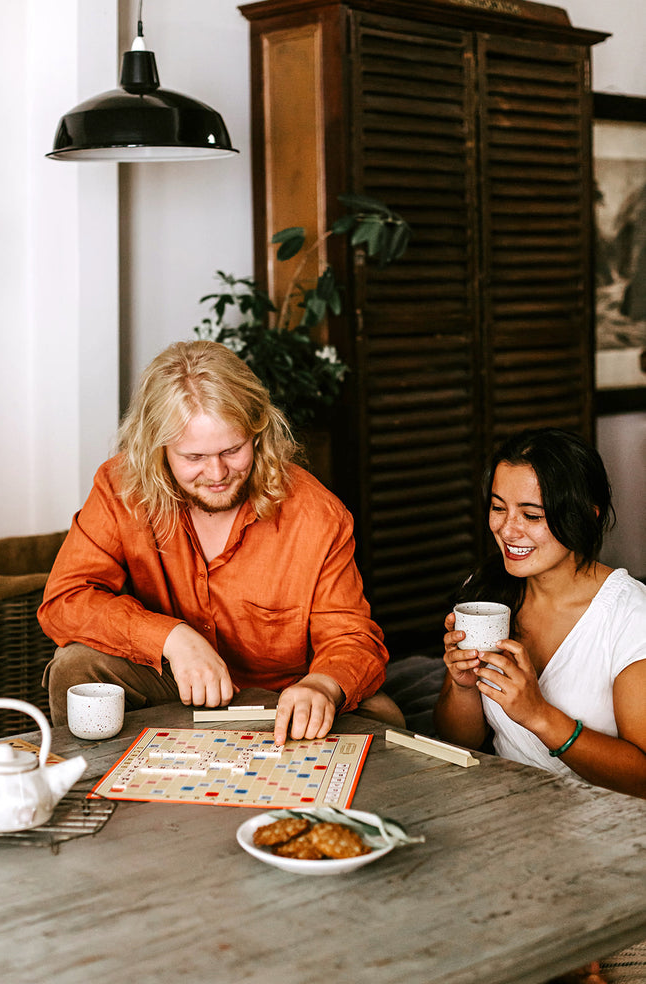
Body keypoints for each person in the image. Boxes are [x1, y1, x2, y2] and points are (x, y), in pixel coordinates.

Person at [39, 339, 403, 747]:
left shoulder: (317, 514)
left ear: (258, 432)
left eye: (232, 449)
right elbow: (65, 600)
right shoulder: (120, 487)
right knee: (75, 665)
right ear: (157, 449)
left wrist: (321, 686)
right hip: (172, 685)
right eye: (193, 457)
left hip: (278, 704)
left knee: (387, 717)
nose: (217, 473)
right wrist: (172, 638)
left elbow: (351, 637)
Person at [434, 427, 646, 984]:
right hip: (514, 829)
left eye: (532, 513)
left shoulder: (628, 616)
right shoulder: (490, 591)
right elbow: (459, 743)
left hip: (613, 835)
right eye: (499, 508)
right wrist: (459, 685)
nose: (508, 530)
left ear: (588, 515)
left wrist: (540, 716)